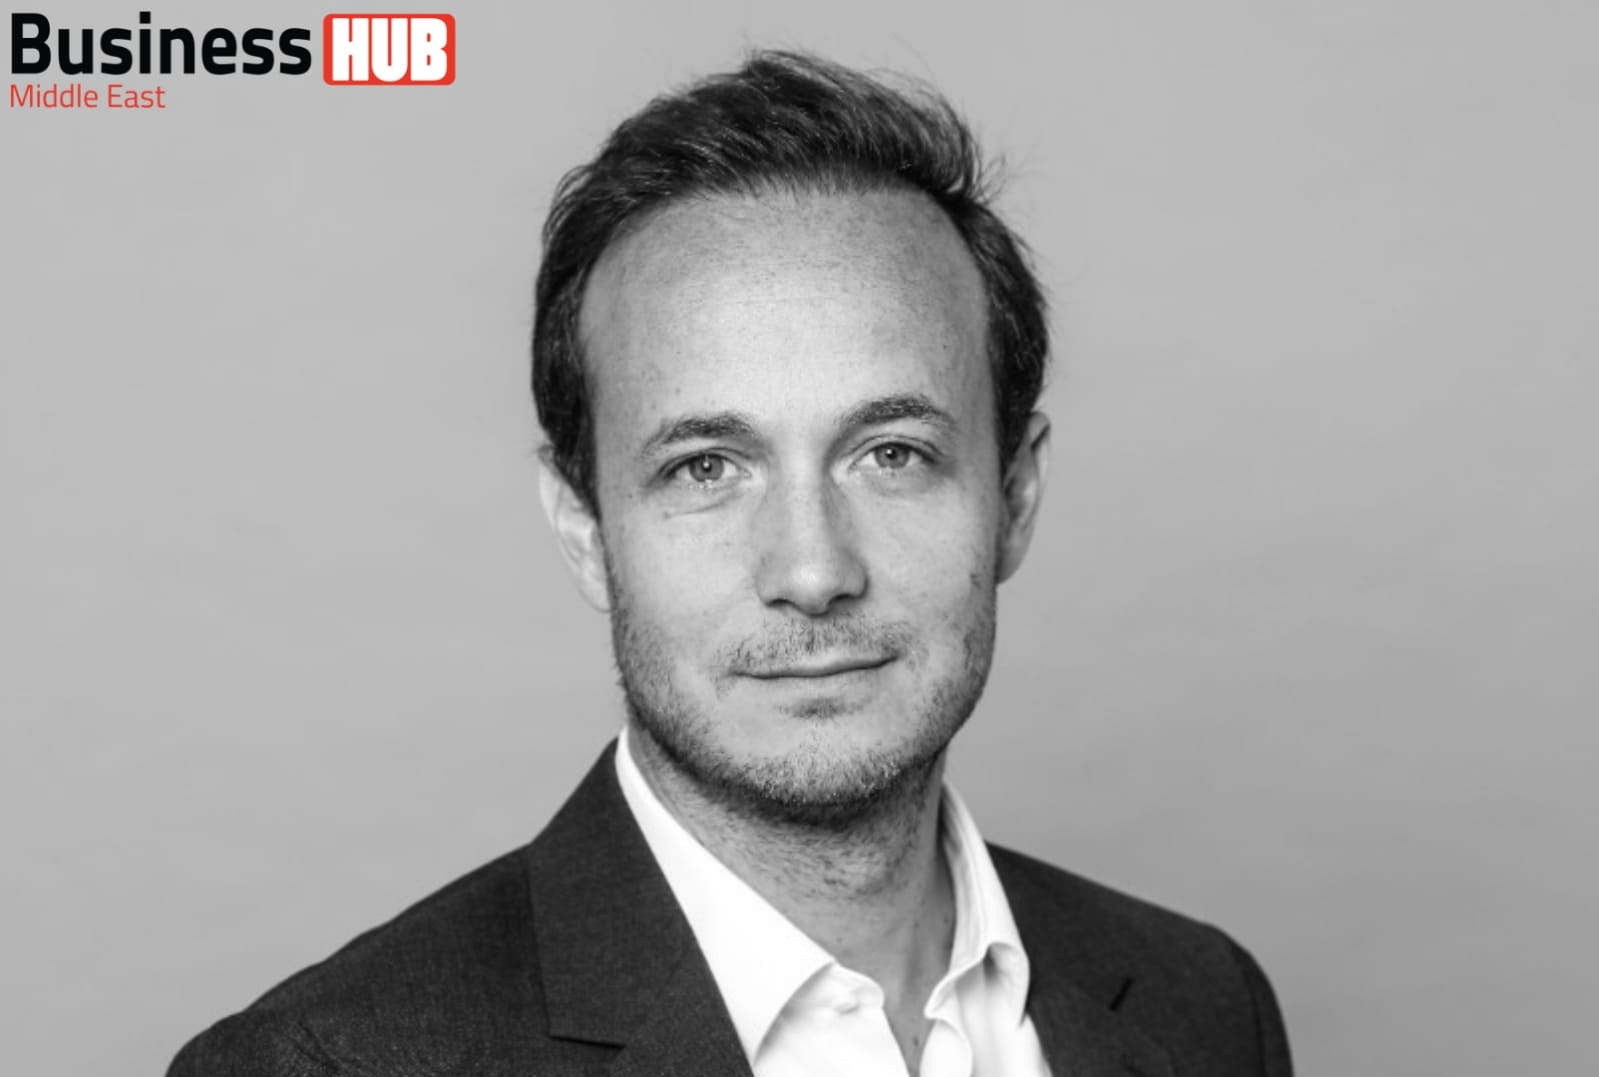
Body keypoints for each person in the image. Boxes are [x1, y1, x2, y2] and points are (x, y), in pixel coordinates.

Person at [168, 50, 1292, 1077]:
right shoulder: (325, 1065)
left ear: (1017, 495)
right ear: (584, 527)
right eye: (706, 467)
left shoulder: (1204, 1005)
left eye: (891, 454)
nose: (812, 571)